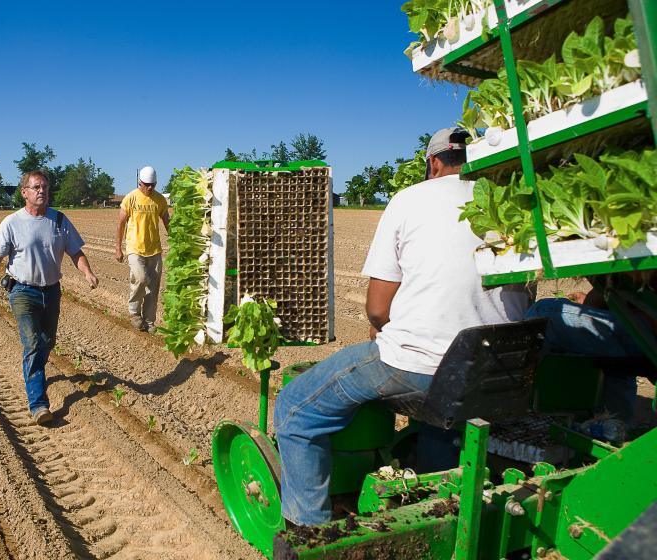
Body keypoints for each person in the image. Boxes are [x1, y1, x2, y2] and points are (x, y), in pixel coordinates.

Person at [273, 128, 531, 526]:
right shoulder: (511, 202)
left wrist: (385, 331)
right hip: (499, 368)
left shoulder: (410, 199)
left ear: (434, 163)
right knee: (443, 416)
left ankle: (308, 529)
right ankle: (434, 506)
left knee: (294, 410)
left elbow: (377, 310)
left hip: (421, 363)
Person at [0, 170, 98, 426]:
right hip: (23, 291)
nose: (42, 191)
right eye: (36, 187)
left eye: (45, 187)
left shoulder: (59, 220)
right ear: (24, 192)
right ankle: (39, 404)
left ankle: (34, 373)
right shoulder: (11, 223)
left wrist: (87, 273)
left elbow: (75, 252)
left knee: (47, 341)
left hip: (51, 291)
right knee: (32, 344)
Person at [525, 275, 656, 424]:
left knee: (542, 311)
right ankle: (617, 427)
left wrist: (587, 306)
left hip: (648, 334)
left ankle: (520, 407)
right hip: (642, 332)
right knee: (613, 356)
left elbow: (609, 291)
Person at [115, 165, 170, 332]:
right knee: (140, 279)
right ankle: (134, 313)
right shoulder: (130, 198)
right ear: (140, 182)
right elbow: (121, 224)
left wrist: (179, 240)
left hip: (154, 249)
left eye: (153, 184)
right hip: (135, 247)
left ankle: (150, 321)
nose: (150, 188)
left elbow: (167, 221)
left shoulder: (160, 199)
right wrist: (118, 248)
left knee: (153, 287)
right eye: (147, 185)